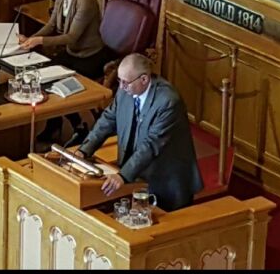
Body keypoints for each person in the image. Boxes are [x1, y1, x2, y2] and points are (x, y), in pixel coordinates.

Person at [75, 53, 203, 212]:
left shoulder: (168, 101)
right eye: (119, 81)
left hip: (165, 181)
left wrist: (123, 176)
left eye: (125, 82)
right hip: (136, 175)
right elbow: (108, 120)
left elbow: (151, 145)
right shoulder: (125, 91)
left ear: (144, 79)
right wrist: (84, 150)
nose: (121, 87)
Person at [18, 0, 115, 145]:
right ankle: (56, 125)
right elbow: (52, 24)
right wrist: (31, 39)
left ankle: (78, 125)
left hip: (90, 55)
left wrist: (39, 41)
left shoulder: (85, 2)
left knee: (61, 85)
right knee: (45, 77)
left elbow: (71, 37)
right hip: (72, 52)